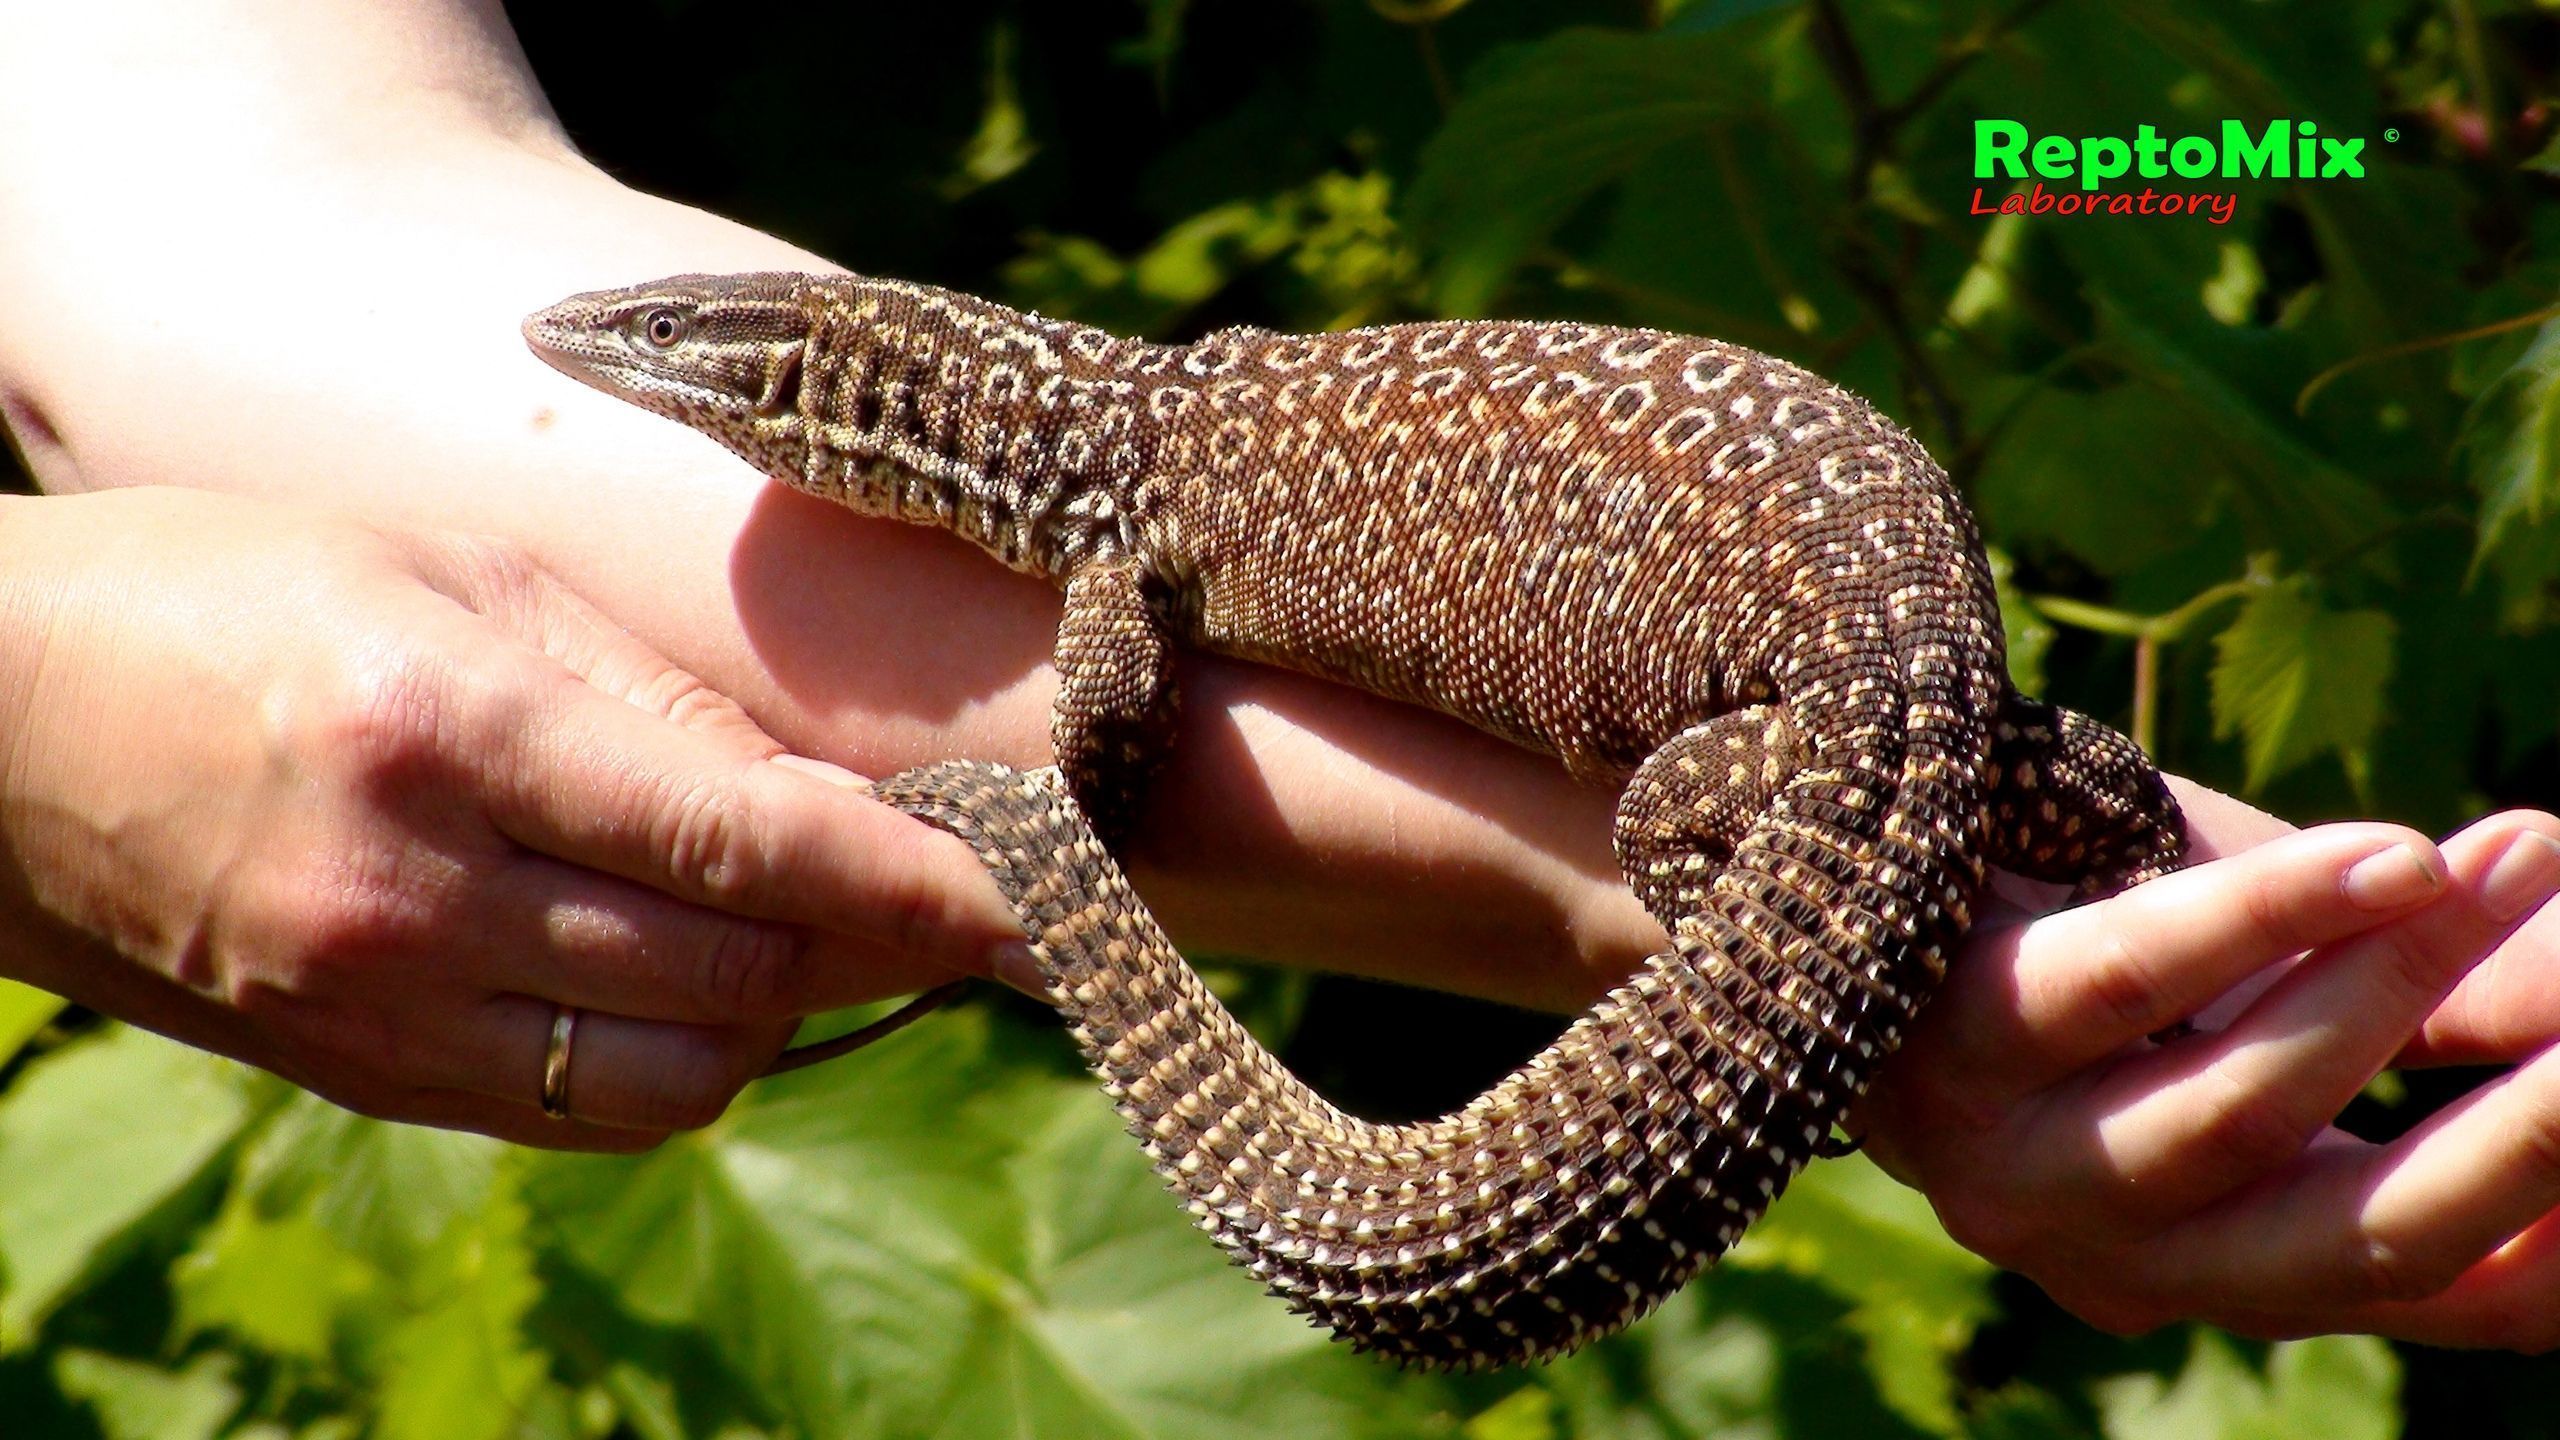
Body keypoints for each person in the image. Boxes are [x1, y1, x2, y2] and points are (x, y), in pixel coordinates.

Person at [1, 0, 2555, 1350]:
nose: (663, 385)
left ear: (846, 412)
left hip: (1801, 734)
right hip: (1887, 687)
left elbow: (220, 199)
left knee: (1793, 852)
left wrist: (1846, 936)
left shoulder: (1126, 525)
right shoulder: (1173, 413)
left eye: (722, 382)